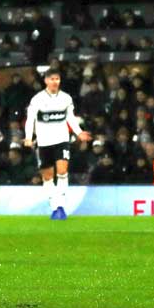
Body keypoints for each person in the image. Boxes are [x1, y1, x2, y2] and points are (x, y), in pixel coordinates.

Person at [24, 68, 92, 220]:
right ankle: (54, 207)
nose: (55, 82)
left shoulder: (66, 98)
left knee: (62, 171)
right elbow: (30, 119)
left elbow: (71, 118)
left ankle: (61, 206)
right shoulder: (37, 99)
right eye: (52, 79)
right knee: (48, 177)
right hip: (44, 143)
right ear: (46, 81)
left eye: (57, 79)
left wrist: (79, 132)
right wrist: (29, 137)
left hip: (61, 140)